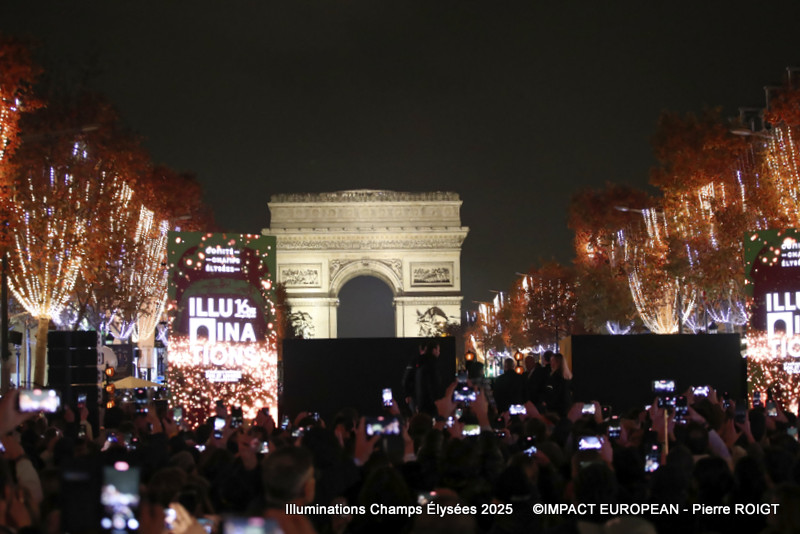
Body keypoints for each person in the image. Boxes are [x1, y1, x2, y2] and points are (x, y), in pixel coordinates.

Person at [414, 341, 442, 417]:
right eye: (438, 350)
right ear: (434, 350)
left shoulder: (420, 364)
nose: (439, 353)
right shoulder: (432, 365)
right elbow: (433, 385)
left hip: (422, 403)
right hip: (431, 405)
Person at [541, 352, 572, 416]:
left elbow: (552, 392)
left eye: (552, 361)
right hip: (566, 405)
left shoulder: (555, 377)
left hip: (555, 407)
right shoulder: (566, 376)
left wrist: (546, 402)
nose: (551, 363)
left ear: (556, 362)